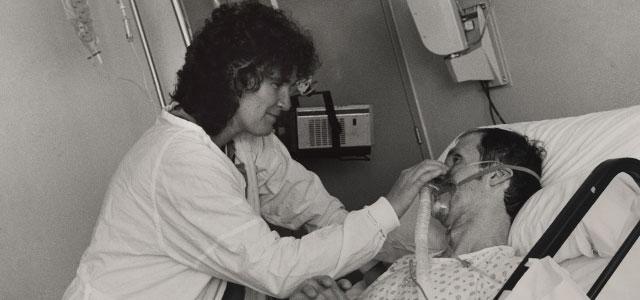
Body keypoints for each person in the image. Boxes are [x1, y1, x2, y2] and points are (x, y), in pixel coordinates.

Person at [62, 3, 448, 300]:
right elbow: (274, 267)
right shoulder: (179, 161)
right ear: (236, 77)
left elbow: (314, 209)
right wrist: (388, 209)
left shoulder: (246, 138)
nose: (287, 100)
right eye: (278, 84)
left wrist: (367, 261)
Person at [291, 128, 546, 300]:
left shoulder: (515, 278)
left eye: (456, 160)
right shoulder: (407, 264)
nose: (440, 173)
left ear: (497, 175)